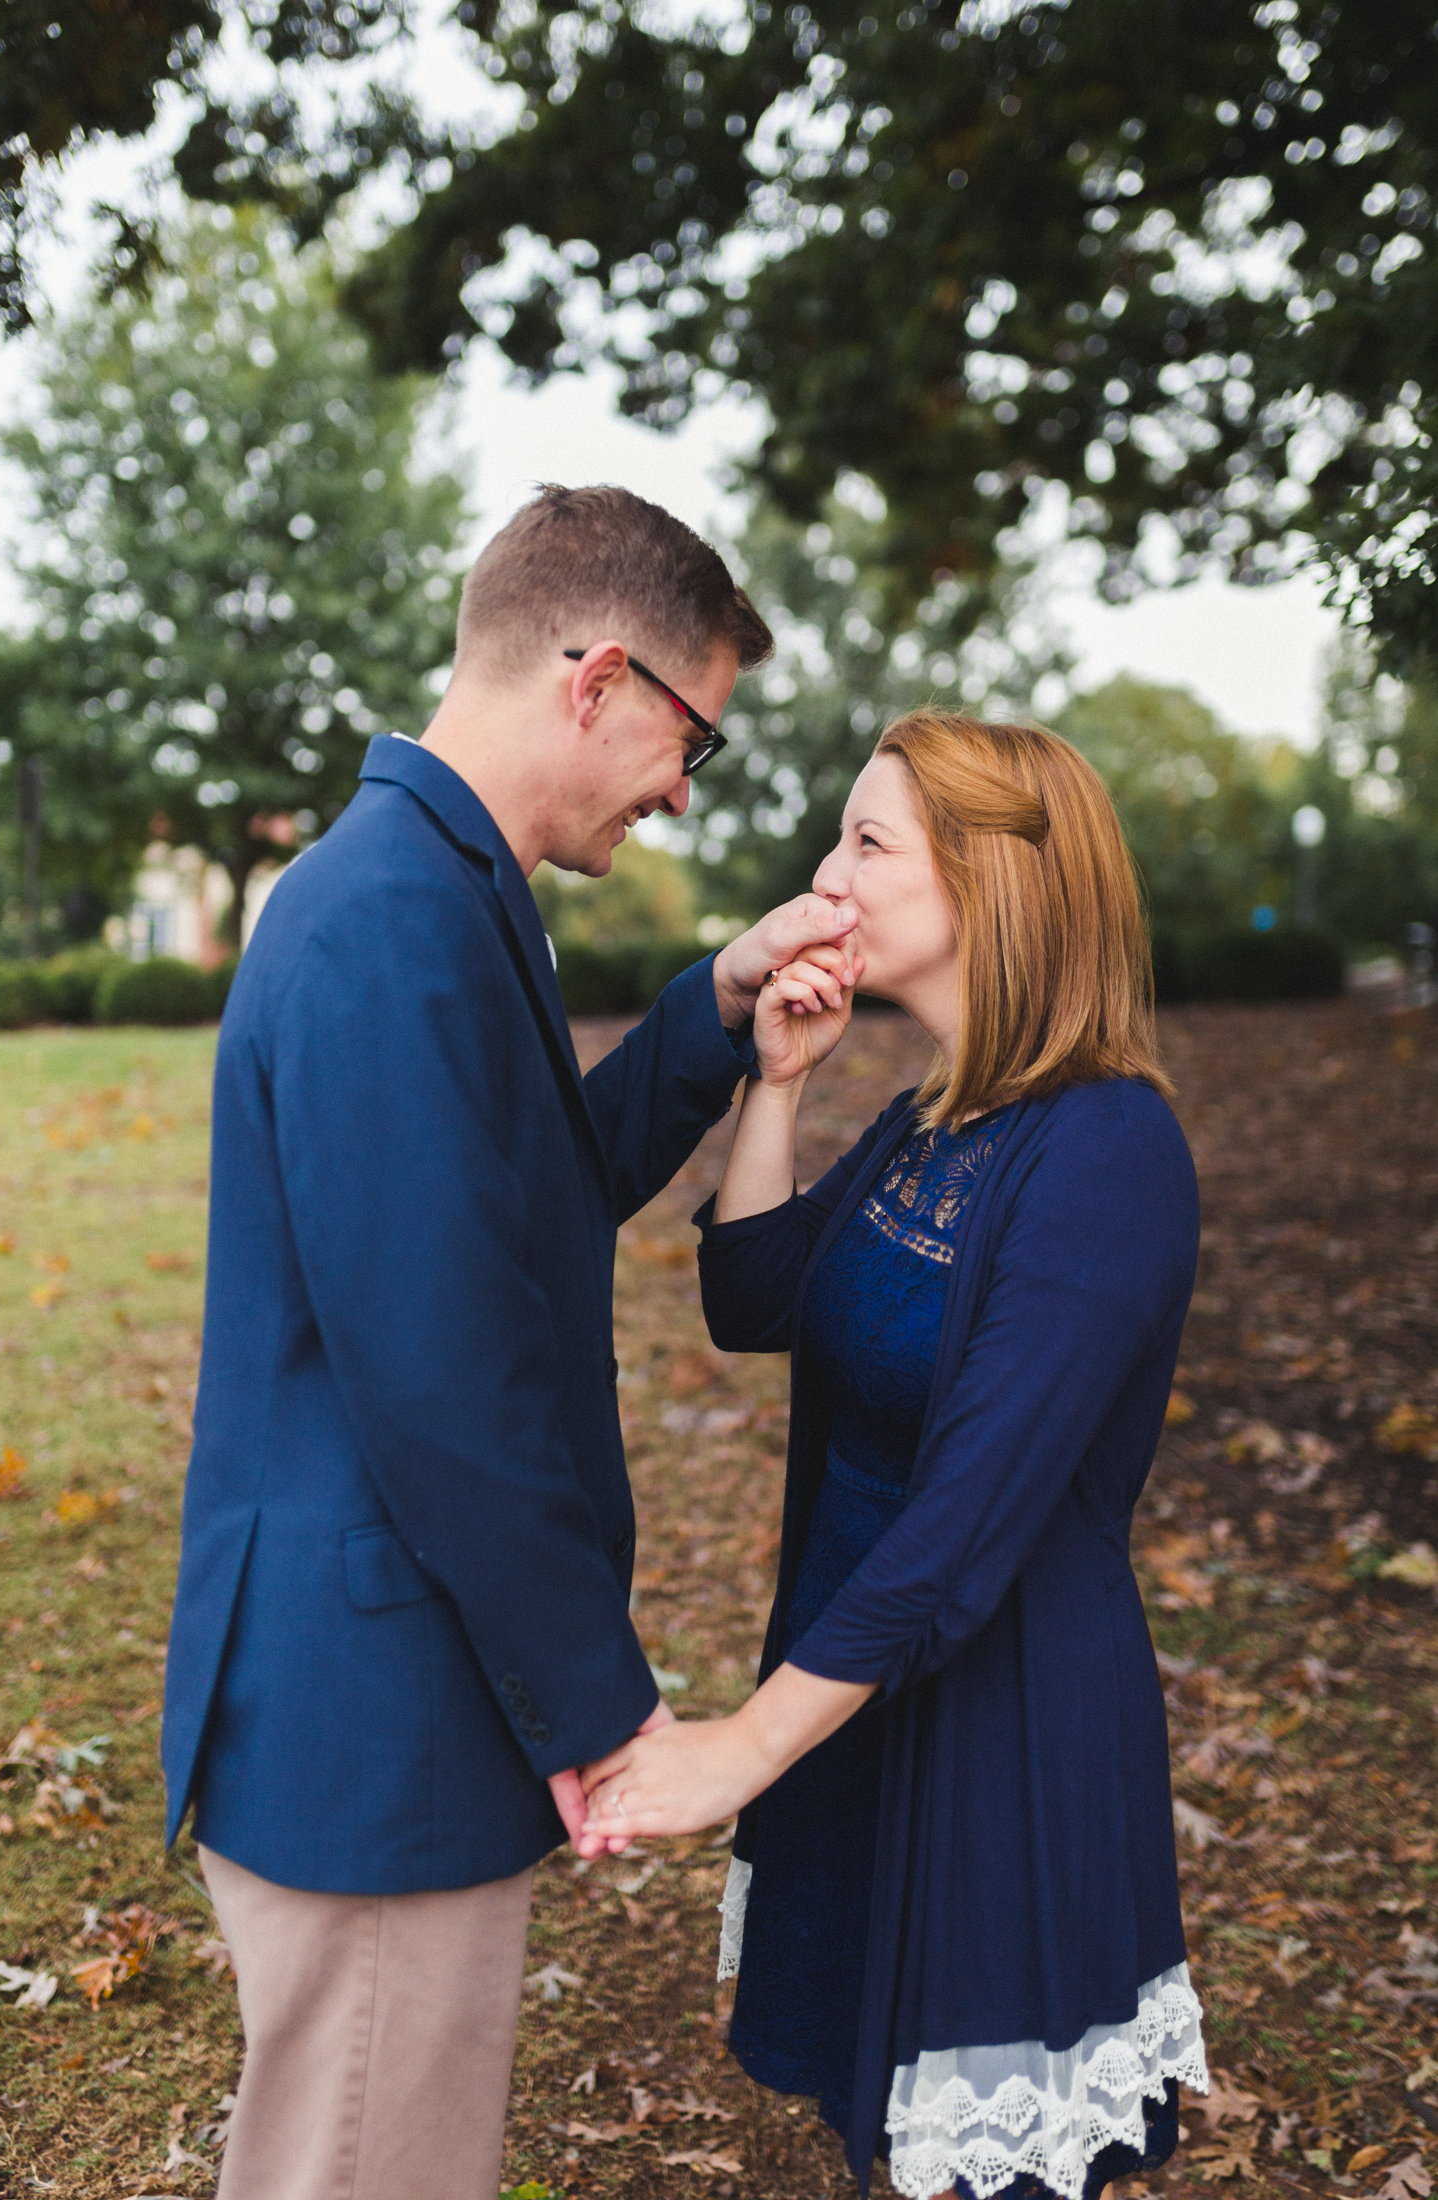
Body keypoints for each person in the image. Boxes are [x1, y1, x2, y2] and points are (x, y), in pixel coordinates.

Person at [160, 484, 860, 2200]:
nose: (683, 787)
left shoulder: (438, 885)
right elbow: (445, 1381)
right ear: (598, 675)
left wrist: (711, 1003)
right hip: (375, 1715)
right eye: (689, 736)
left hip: (374, 1678)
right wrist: (601, 1710)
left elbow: (523, 1195)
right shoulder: (393, 918)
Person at [578, 710, 1210, 2200]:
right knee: (875, 2127)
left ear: (995, 885)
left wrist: (736, 1750)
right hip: (850, 1685)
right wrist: (779, 1083)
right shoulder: (940, 1112)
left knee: (976, 2160)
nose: (825, 874)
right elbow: (750, 1300)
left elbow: (963, 1529)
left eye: (867, 841)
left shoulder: (1107, 1154)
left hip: (998, 1721)